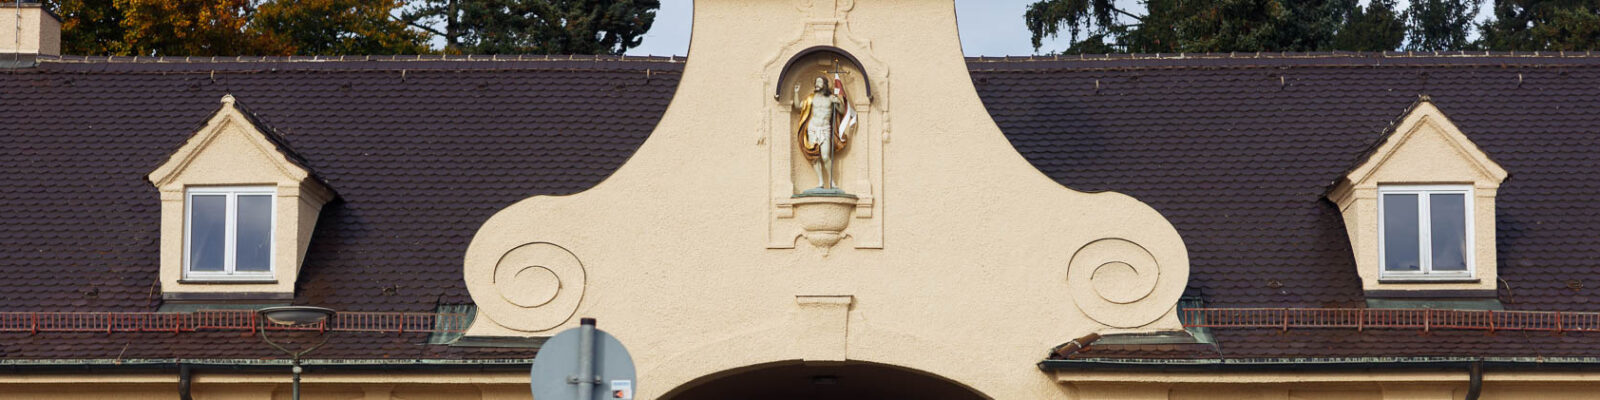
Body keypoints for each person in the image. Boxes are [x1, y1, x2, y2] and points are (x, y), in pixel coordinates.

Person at [793, 76, 848, 190]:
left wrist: (838, 102)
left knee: (825, 156)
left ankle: (832, 181)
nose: (817, 84)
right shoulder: (811, 98)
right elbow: (798, 106)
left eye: (819, 82)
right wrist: (796, 92)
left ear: (825, 84)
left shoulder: (831, 98)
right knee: (814, 156)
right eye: (816, 82)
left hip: (825, 128)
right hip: (813, 128)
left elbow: (842, 111)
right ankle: (821, 182)